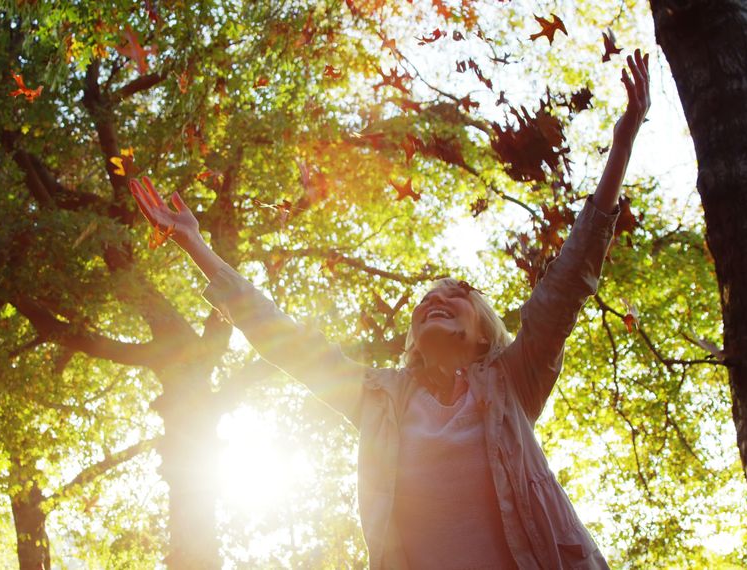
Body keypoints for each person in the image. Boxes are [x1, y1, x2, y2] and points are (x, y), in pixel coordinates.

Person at [131, 50, 651, 569]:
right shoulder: (380, 400)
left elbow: (564, 288)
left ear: (483, 336)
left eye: (456, 295)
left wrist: (622, 144)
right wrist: (196, 245)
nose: (434, 300)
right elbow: (282, 338)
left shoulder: (513, 381)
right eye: (426, 300)